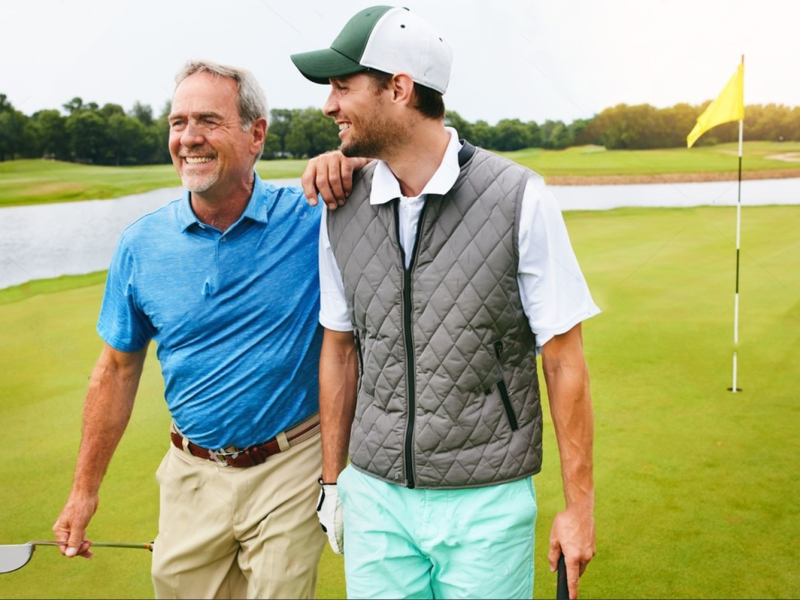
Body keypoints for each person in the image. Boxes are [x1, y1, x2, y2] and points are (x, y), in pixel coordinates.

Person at [292, 6, 599, 599]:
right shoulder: (339, 204)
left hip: (486, 501)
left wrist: (578, 507)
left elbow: (564, 361)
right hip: (376, 497)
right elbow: (340, 348)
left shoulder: (519, 197)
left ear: (399, 88)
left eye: (342, 86)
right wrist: (334, 483)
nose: (329, 105)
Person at [52, 60, 364, 600]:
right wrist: (84, 492)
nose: (188, 138)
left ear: (256, 134)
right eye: (178, 122)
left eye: (208, 121)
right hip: (190, 472)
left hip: (290, 465)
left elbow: (410, 163)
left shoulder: (314, 218)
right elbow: (116, 369)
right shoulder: (140, 244)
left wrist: (352, 158)